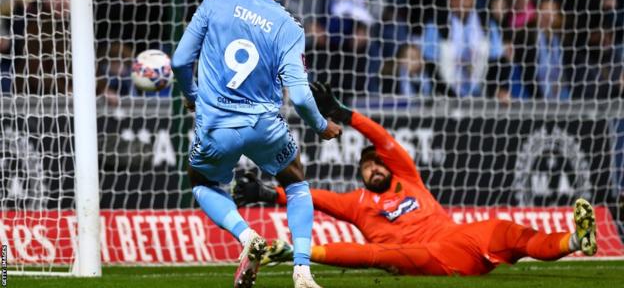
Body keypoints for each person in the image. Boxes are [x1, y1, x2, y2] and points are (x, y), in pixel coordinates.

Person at [234, 82, 599, 276]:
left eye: (378, 164)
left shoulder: (407, 177)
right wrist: (266, 193)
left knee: (509, 233)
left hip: (460, 238)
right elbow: (311, 197)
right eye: (367, 166)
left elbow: (382, 139)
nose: (375, 167)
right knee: (380, 255)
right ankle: (296, 252)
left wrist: (344, 114)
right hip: (423, 257)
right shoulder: (358, 204)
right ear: (360, 174)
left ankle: (576, 240)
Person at [170, 0, 342, 288]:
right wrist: (322, 126)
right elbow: (303, 98)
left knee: (202, 182)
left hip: (217, 125)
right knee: (295, 182)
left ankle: (246, 235)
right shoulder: (288, 26)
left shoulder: (216, 0)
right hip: (264, 125)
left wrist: (192, 96)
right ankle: (303, 271)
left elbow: (179, 61)